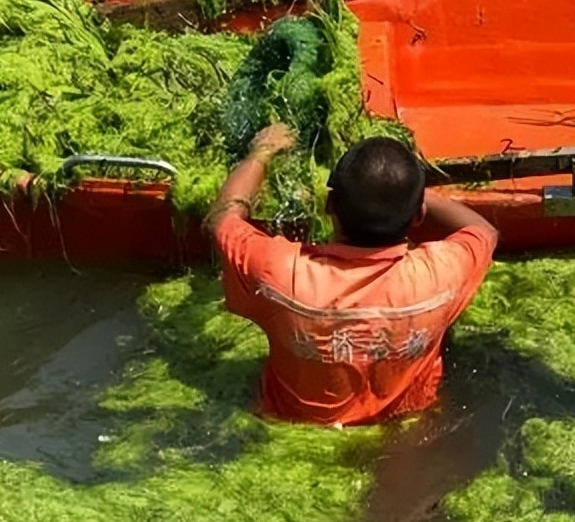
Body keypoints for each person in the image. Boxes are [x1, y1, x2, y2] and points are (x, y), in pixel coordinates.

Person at [206, 123, 499, 426]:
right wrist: (405, 189)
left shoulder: (281, 272)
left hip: (291, 429)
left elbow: (223, 219)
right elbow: (483, 232)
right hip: (407, 424)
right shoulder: (442, 273)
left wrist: (262, 152)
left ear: (329, 205)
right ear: (419, 216)